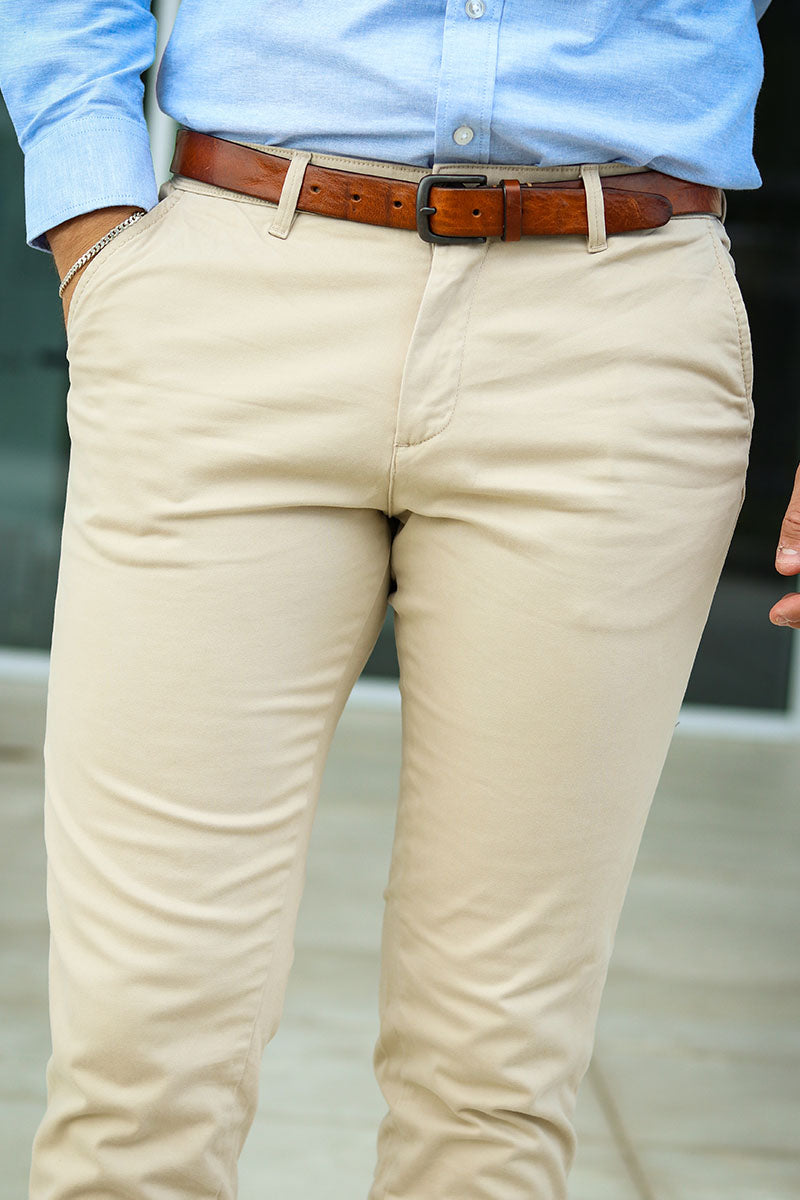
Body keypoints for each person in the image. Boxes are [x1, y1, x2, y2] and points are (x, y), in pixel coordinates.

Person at [1, 3, 797, 1198]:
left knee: (491, 1082)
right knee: (136, 1058)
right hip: (235, 293)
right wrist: (90, 223)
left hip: (614, 328)